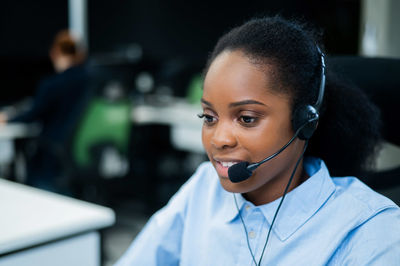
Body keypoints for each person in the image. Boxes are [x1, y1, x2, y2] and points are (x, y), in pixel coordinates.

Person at [115, 16, 400, 265]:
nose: (220, 139)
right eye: (209, 117)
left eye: (247, 118)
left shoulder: (369, 230)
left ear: (305, 122)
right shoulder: (204, 188)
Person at [0, 30, 89, 192]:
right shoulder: (91, 80)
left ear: (55, 53)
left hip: (53, 154)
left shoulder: (53, 84)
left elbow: (33, 114)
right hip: (81, 152)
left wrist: (6, 118)